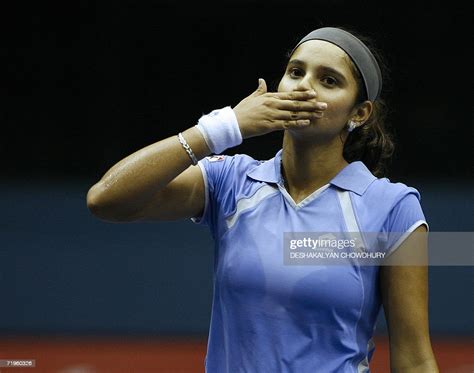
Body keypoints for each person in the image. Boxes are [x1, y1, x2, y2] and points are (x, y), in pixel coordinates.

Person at [87, 27, 439, 372]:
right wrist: (221, 128)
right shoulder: (230, 181)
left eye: (328, 80)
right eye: (296, 72)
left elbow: (414, 357)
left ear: (359, 113)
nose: (303, 85)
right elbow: (106, 199)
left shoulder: (394, 208)